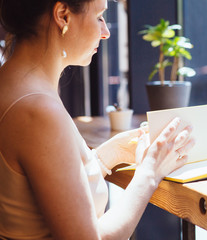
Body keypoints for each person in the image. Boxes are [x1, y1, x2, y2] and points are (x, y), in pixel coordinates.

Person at [0, 0, 195, 239]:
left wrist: (104, 157)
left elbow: (33, 192)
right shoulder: (37, 109)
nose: (106, 32)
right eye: (99, 17)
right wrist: (150, 173)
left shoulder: (13, 83)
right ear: (63, 16)